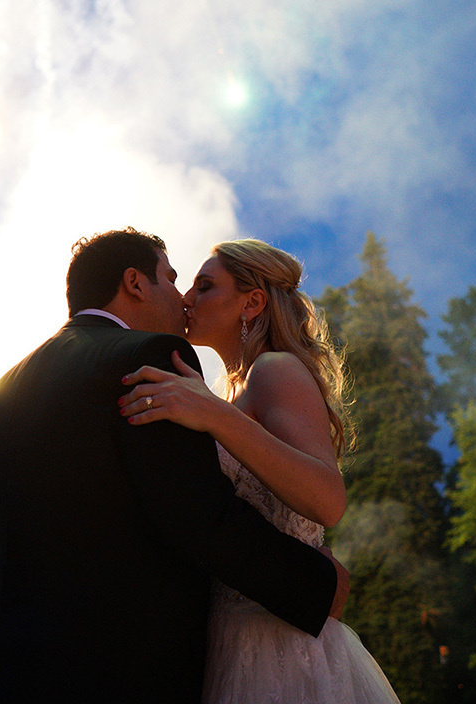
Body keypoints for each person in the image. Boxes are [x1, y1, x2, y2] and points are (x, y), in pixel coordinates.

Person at [0, 228, 348, 704]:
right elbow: (194, 514)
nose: (183, 297)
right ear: (136, 283)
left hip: (3, 678)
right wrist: (313, 585)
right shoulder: (149, 360)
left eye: (202, 286)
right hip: (129, 673)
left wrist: (49, 610)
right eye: (174, 279)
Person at [120, 238, 400, 703]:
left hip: (280, 644)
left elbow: (328, 501)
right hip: (226, 635)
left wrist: (214, 416)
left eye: (205, 287)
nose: (188, 299)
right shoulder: (228, 392)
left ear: (252, 302)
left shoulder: (276, 370)